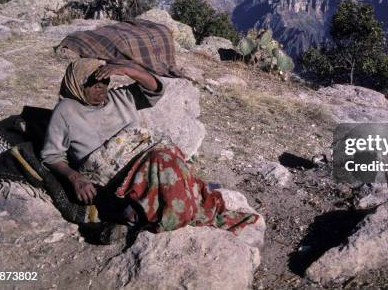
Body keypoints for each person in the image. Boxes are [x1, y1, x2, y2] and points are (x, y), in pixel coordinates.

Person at [41, 58, 257, 238]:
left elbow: (154, 88)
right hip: (113, 177)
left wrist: (126, 70)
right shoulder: (66, 111)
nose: (102, 86)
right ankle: (167, 211)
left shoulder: (120, 97)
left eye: (105, 80)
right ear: (77, 84)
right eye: (93, 82)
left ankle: (159, 210)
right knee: (163, 163)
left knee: (167, 157)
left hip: (147, 159)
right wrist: (75, 177)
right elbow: (51, 156)